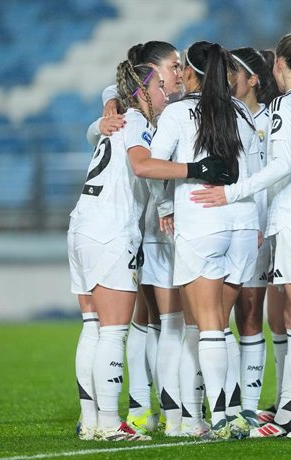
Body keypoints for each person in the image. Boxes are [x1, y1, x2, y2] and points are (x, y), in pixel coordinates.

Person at [192, 28, 291, 440]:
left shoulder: (287, 106)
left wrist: (232, 191)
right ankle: (286, 416)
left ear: (279, 65)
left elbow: (280, 167)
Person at [132, 40, 261, 440]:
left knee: (205, 329)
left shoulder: (179, 112)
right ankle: (234, 412)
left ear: (190, 74)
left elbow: (148, 166)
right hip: (243, 223)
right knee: (221, 328)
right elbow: (258, 170)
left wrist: (177, 188)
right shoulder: (241, 110)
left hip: (203, 222)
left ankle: (217, 417)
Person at [81, 41, 186, 436]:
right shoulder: (140, 120)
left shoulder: (122, 112)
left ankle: (91, 420)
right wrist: (196, 169)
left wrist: (107, 107)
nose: (177, 74)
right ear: (149, 80)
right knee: (117, 329)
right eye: (170, 70)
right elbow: (143, 165)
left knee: (94, 325)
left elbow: (106, 113)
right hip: (115, 229)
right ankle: (112, 421)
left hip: (85, 223)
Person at [228, 46, 280, 423]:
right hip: (224, 224)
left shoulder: (272, 119)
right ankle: (222, 401)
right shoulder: (225, 115)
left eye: (235, 71)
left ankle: (249, 403)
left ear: (254, 79)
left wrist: (263, 224)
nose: (229, 77)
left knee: (249, 314)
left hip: (258, 228)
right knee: (217, 317)